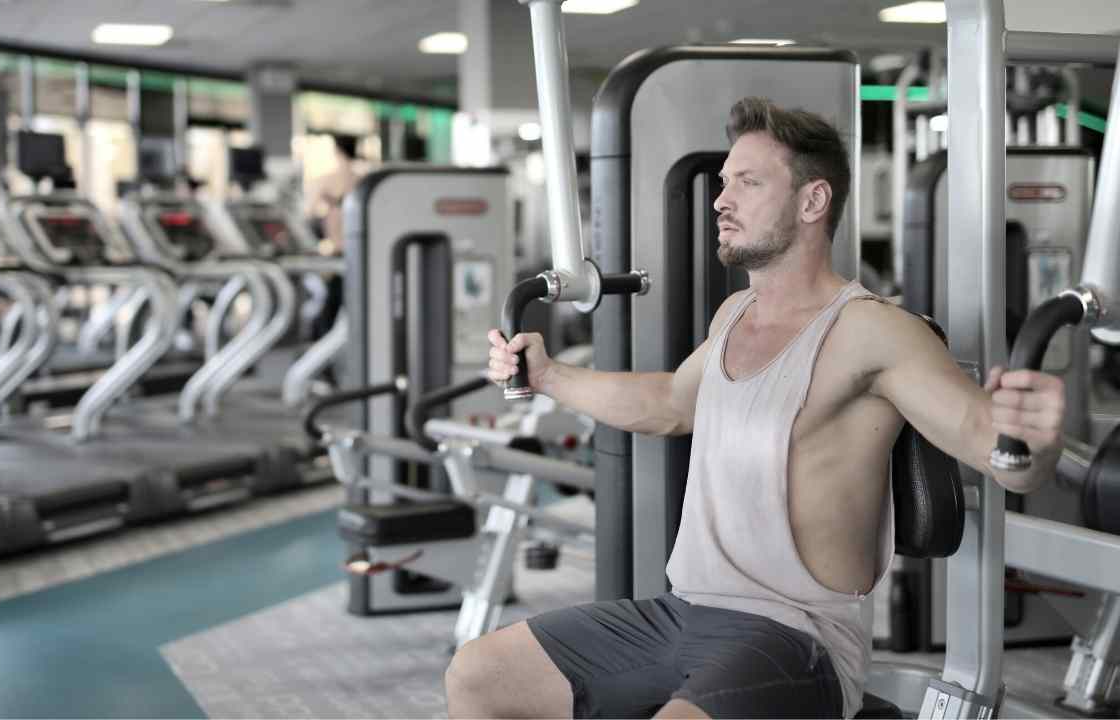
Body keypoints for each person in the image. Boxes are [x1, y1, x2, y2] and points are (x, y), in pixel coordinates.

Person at [448, 97, 1067, 719]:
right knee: (479, 674)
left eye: (747, 183)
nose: (721, 200)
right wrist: (548, 375)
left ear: (812, 201)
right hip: (686, 612)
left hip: (796, 637)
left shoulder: (873, 330)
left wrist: (1032, 442)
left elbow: (994, 446)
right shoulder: (734, 315)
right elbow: (669, 402)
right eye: (724, 183)